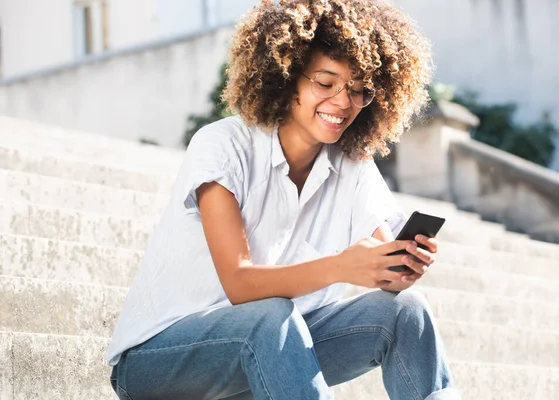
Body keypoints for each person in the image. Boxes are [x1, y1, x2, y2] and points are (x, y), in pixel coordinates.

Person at [106, 0, 461, 399]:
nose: (343, 102)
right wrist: (341, 267)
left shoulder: (352, 167)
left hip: (273, 359)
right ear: (288, 75)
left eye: (359, 90)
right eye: (325, 83)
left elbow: (382, 260)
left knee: (405, 312)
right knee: (270, 315)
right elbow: (240, 285)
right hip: (158, 363)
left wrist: (401, 265)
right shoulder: (223, 146)